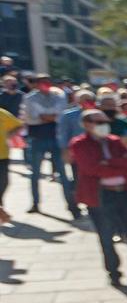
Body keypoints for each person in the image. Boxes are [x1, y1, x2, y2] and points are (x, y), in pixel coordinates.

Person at [69, 109, 127, 286]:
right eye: (99, 122)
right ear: (87, 125)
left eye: (105, 122)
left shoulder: (115, 141)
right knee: (106, 235)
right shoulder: (79, 144)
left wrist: (109, 162)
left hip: (124, 193)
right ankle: (114, 274)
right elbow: (91, 169)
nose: (104, 126)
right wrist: (119, 164)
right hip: (101, 195)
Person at [20, 76, 75, 216]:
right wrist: (50, 116)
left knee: (62, 173)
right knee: (35, 174)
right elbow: (33, 116)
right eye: (41, 82)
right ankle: (35, 203)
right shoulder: (30, 98)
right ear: (36, 84)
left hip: (56, 138)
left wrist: (47, 116)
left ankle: (72, 206)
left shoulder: (58, 95)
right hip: (37, 138)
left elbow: (60, 114)